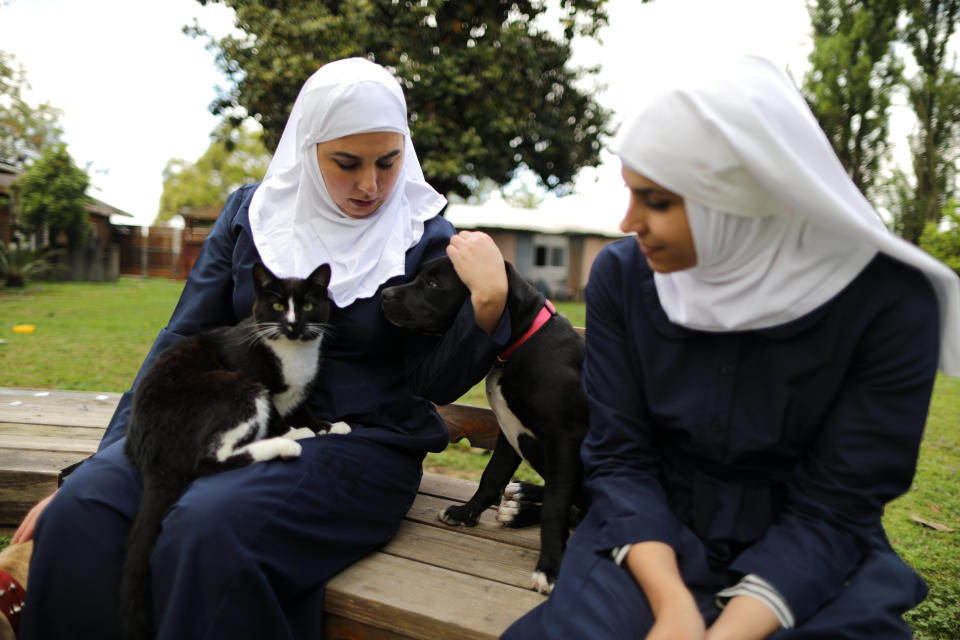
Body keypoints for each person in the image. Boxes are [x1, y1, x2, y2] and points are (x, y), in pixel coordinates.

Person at [16, 57, 511, 639]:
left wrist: (489, 306)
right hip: (221, 422)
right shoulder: (252, 215)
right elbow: (180, 339)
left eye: (388, 161)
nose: (371, 185)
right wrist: (107, 458)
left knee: (205, 527)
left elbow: (430, 384)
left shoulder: (423, 234)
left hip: (357, 447)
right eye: (347, 163)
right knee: (84, 511)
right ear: (307, 149)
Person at [503, 55, 960, 639]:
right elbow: (620, 456)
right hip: (650, 530)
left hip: (812, 550)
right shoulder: (624, 277)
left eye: (659, 201)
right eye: (630, 193)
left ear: (746, 196)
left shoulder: (889, 301)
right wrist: (672, 607)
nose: (628, 221)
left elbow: (839, 501)